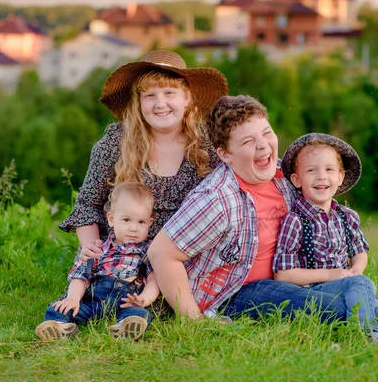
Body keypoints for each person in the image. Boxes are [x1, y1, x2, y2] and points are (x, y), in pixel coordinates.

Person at [148, 95, 349, 321]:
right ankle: (369, 322)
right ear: (225, 155)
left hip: (288, 280)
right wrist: (194, 320)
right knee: (335, 307)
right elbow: (161, 253)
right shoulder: (217, 198)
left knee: (356, 289)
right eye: (247, 142)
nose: (262, 145)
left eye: (266, 133)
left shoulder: (285, 176)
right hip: (234, 293)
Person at [59, 50, 229, 263]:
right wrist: (91, 248)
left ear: (187, 98)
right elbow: (87, 206)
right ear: (138, 102)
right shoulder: (115, 144)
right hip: (119, 258)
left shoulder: (210, 145)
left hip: (186, 261)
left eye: (169, 93)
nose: (160, 104)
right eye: (150, 96)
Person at [274, 133, 378, 343]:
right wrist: (331, 275)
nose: (321, 176)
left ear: (340, 176)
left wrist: (355, 272)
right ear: (296, 180)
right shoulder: (295, 220)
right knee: (363, 288)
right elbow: (282, 275)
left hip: (349, 284)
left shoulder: (347, 216)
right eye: (311, 170)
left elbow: (359, 252)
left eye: (329, 169)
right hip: (314, 291)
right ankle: (364, 335)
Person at [36, 182, 159, 341]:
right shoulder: (100, 248)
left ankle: (125, 328)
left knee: (139, 313)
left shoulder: (147, 250)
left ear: (149, 223)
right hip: (93, 301)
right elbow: (81, 276)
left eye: (141, 222)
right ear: (111, 219)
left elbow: (154, 279)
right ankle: (60, 326)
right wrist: (73, 298)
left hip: (125, 303)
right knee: (58, 307)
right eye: (127, 220)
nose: (134, 228)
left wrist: (144, 299)